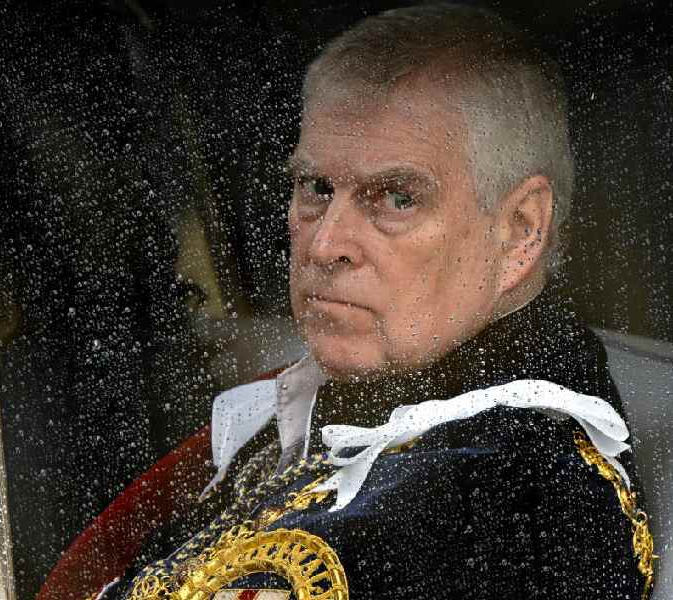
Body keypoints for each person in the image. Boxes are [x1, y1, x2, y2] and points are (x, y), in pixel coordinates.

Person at [44, 5, 657, 599]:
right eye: (316, 187)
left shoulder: (519, 503)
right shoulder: (330, 417)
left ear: (520, 231)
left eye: (395, 198)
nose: (325, 242)